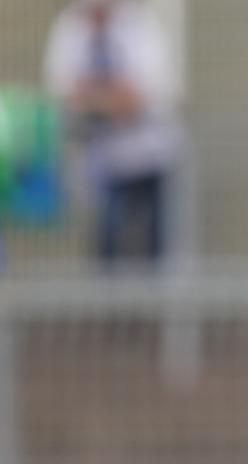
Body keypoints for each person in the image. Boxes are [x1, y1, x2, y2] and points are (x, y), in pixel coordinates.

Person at [44, 0, 181, 265]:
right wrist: (112, 97)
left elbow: (142, 96)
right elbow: (62, 93)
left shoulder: (140, 26)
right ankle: (109, 306)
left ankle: (156, 303)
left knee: (156, 245)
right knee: (106, 246)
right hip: (101, 159)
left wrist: (92, 95)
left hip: (149, 154)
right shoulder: (70, 27)